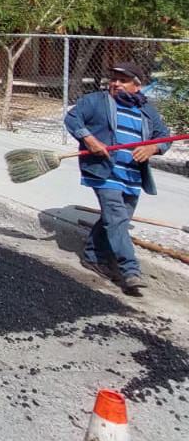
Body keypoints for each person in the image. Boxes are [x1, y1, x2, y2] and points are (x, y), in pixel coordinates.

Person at [64, 62, 172, 294]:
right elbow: (73, 119)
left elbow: (164, 137)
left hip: (132, 175)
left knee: (114, 220)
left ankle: (93, 256)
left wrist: (153, 149)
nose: (115, 84)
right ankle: (130, 271)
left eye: (122, 80)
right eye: (113, 79)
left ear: (137, 85)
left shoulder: (146, 109)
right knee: (117, 218)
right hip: (104, 172)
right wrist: (90, 140)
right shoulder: (98, 101)